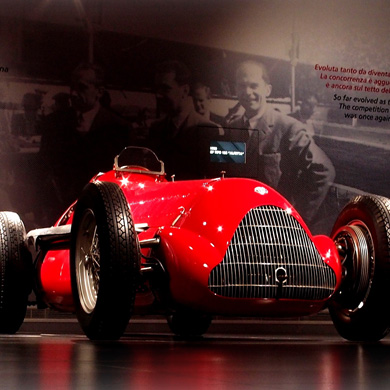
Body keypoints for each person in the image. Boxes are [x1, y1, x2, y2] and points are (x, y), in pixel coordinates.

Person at [228, 60, 335, 224]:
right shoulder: (232, 128)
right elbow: (228, 175)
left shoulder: (288, 128)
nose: (247, 91)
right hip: (237, 222)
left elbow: (324, 170)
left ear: (267, 90)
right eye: (242, 86)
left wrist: (297, 218)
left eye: (254, 85)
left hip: (274, 227)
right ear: (236, 90)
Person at [39, 62, 132, 222]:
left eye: (81, 88)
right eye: (72, 87)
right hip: (60, 211)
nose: (73, 94)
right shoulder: (53, 124)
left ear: (99, 92)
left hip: (104, 212)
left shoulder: (119, 128)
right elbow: (43, 166)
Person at [148, 60, 221, 179]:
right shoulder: (156, 129)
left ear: (185, 90)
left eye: (165, 89)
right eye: (157, 89)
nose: (158, 95)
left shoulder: (208, 130)